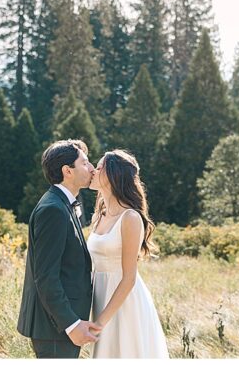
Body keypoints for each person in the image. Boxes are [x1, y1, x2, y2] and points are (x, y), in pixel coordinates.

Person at [17, 140, 103, 358]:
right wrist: (72, 325)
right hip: (54, 328)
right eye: (85, 163)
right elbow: (46, 277)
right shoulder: (53, 210)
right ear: (68, 171)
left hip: (58, 326)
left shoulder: (62, 204)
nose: (92, 168)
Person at [86, 149, 169, 358]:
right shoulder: (99, 215)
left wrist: (100, 322)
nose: (93, 171)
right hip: (100, 297)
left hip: (124, 302)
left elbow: (129, 278)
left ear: (114, 174)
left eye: (99, 167)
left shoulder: (130, 218)